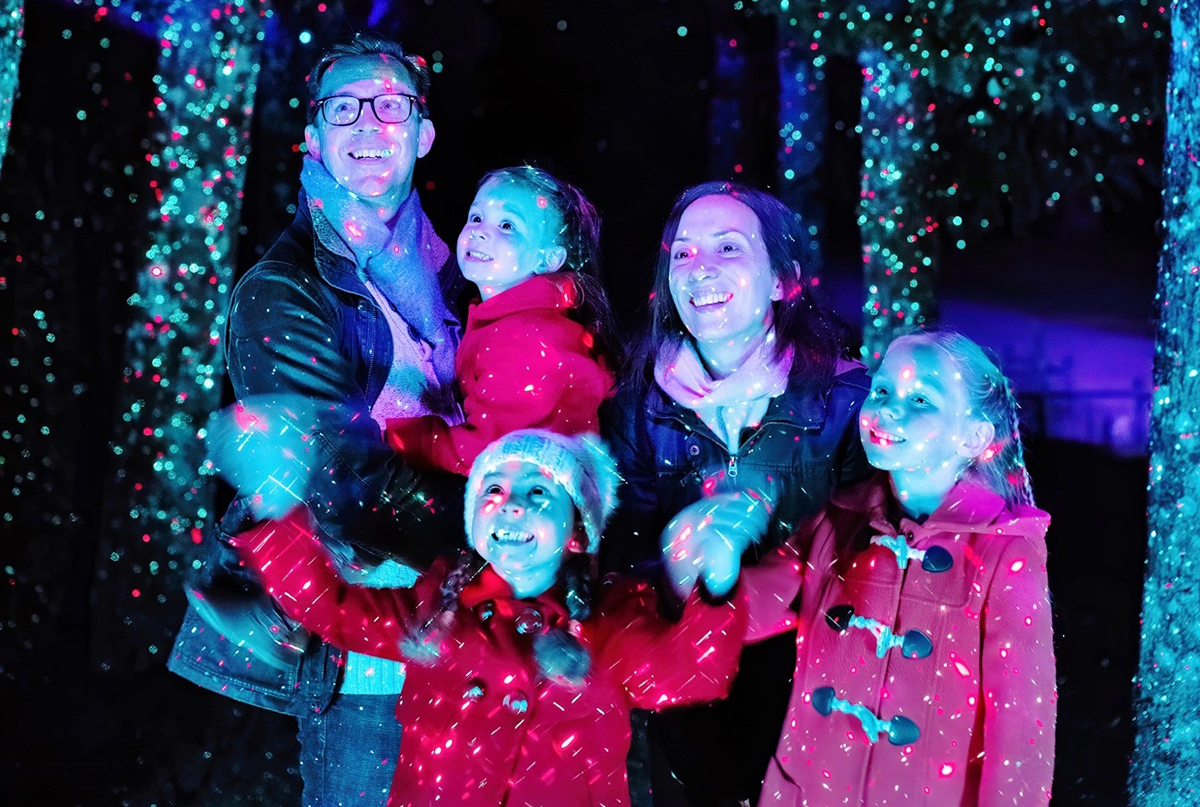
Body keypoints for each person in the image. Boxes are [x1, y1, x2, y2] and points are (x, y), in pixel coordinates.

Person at [168, 33, 469, 806]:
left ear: (423, 133)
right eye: (344, 107)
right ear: (314, 137)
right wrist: (498, 520)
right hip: (373, 661)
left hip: (483, 643)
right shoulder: (281, 288)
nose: (369, 123)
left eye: (391, 104)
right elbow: (345, 485)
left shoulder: (466, 276)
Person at [230, 430, 751, 807]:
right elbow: (332, 609)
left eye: (538, 492)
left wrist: (718, 576)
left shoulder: (608, 622)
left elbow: (691, 674)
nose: (510, 506)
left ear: (577, 530)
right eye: (493, 490)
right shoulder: (438, 609)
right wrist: (271, 509)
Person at [605, 182, 872, 806]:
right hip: (687, 697)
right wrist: (671, 558)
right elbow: (618, 553)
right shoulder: (637, 407)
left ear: (782, 281)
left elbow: (872, 559)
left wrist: (769, 575)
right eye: (684, 254)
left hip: (814, 694)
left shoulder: (845, 401)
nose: (701, 269)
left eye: (729, 248)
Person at [727, 330, 1057, 806]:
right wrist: (707, 565)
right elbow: (755, 605)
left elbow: (1023, 721)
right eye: (882, 390)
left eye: (920, 398)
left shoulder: (1004, 550)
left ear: (974, 436)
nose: (887, 410)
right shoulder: (836, 520)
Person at [386, 166, 617, 475]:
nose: (479, 231)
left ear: (548, 259)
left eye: (508, 225)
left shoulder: (528, 337)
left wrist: (409, 439)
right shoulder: (506, 318)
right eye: (477, 217)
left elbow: (486, 450)